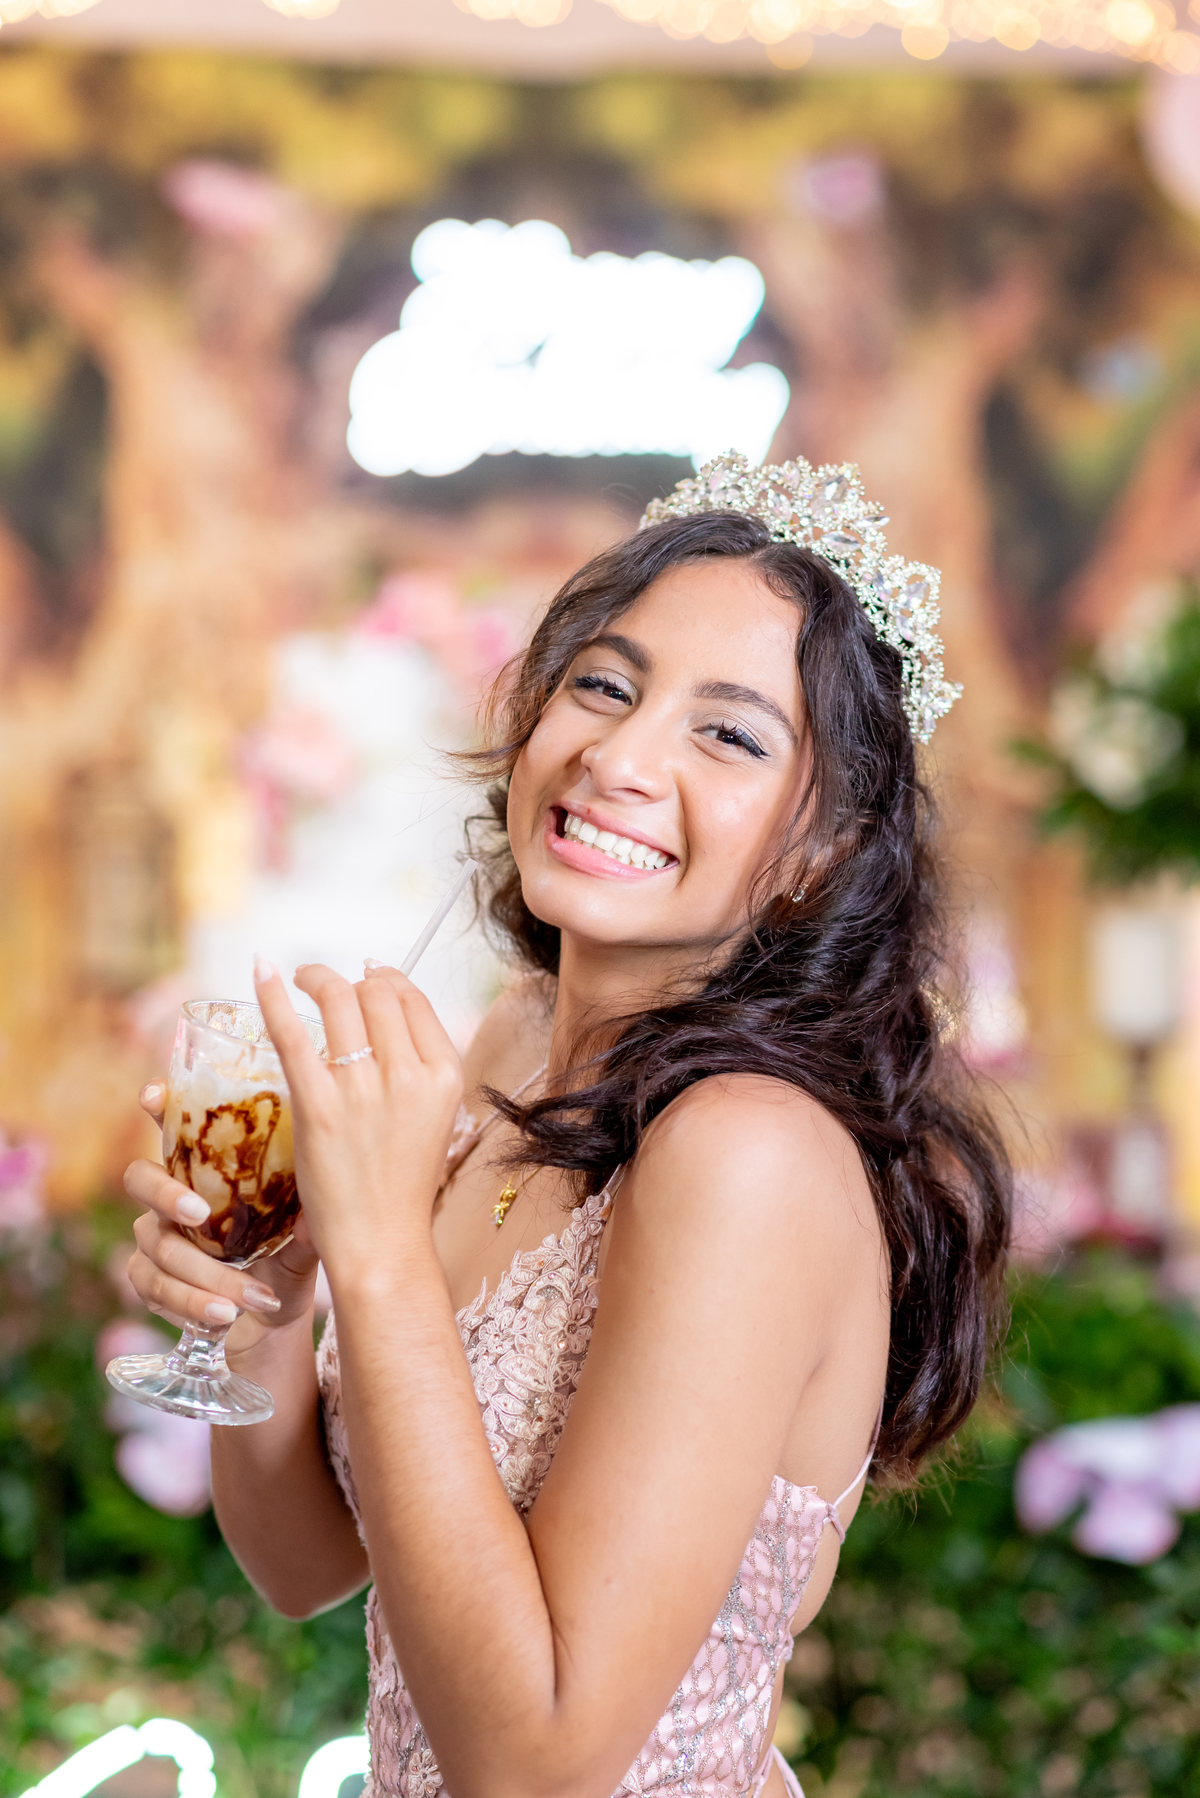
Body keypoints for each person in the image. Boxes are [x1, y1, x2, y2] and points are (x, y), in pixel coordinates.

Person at [125, 453, 1011, 1798]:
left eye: (729, 735)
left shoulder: (748, 1153)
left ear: (823, 848)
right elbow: (306, 1565)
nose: (619, 757)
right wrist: (269, 1300)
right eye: (603, 684)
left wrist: (379, 1249)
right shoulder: (509, 1048)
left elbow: (533, 1761)